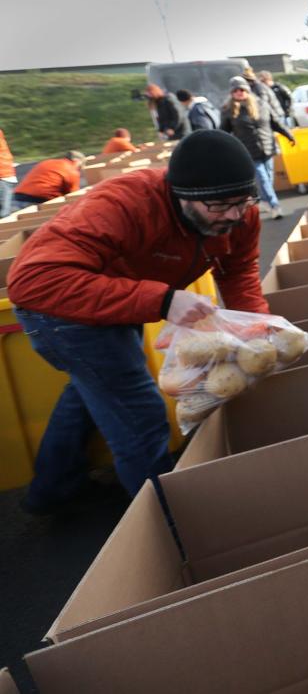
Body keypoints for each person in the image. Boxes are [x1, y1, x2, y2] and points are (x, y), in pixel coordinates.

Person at [8, 130, 270, 514]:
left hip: (118, 300)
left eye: (243, 202)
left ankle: (53, 490)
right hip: (59, 310)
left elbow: (238, 270)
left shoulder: (239, 214)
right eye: (219, 206)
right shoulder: (123, 204)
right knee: (139, 413)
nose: (234, 214)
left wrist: (257, 329)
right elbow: (31, 281)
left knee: (93, 389)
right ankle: (169, 524)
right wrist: (162, 299)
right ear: (183, 196)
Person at [221, 76, 294, 219]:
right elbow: (224, 131)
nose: (239, 92)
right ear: (232, 93)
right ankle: (275, 206)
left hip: (267, 147)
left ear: (247, 90)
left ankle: (265, 199)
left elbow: (275, 123)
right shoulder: (228, 110)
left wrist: (289, 135)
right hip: (249, 152)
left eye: (242, 89)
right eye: (235, 90)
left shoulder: (261, 104)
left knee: (268, 178)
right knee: (262, 178)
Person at [9, 151, 85, 211]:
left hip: (18, 196)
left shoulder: (47, 162)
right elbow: (73, 195)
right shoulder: (71, 170)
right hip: (39, 200)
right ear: (77, 161)